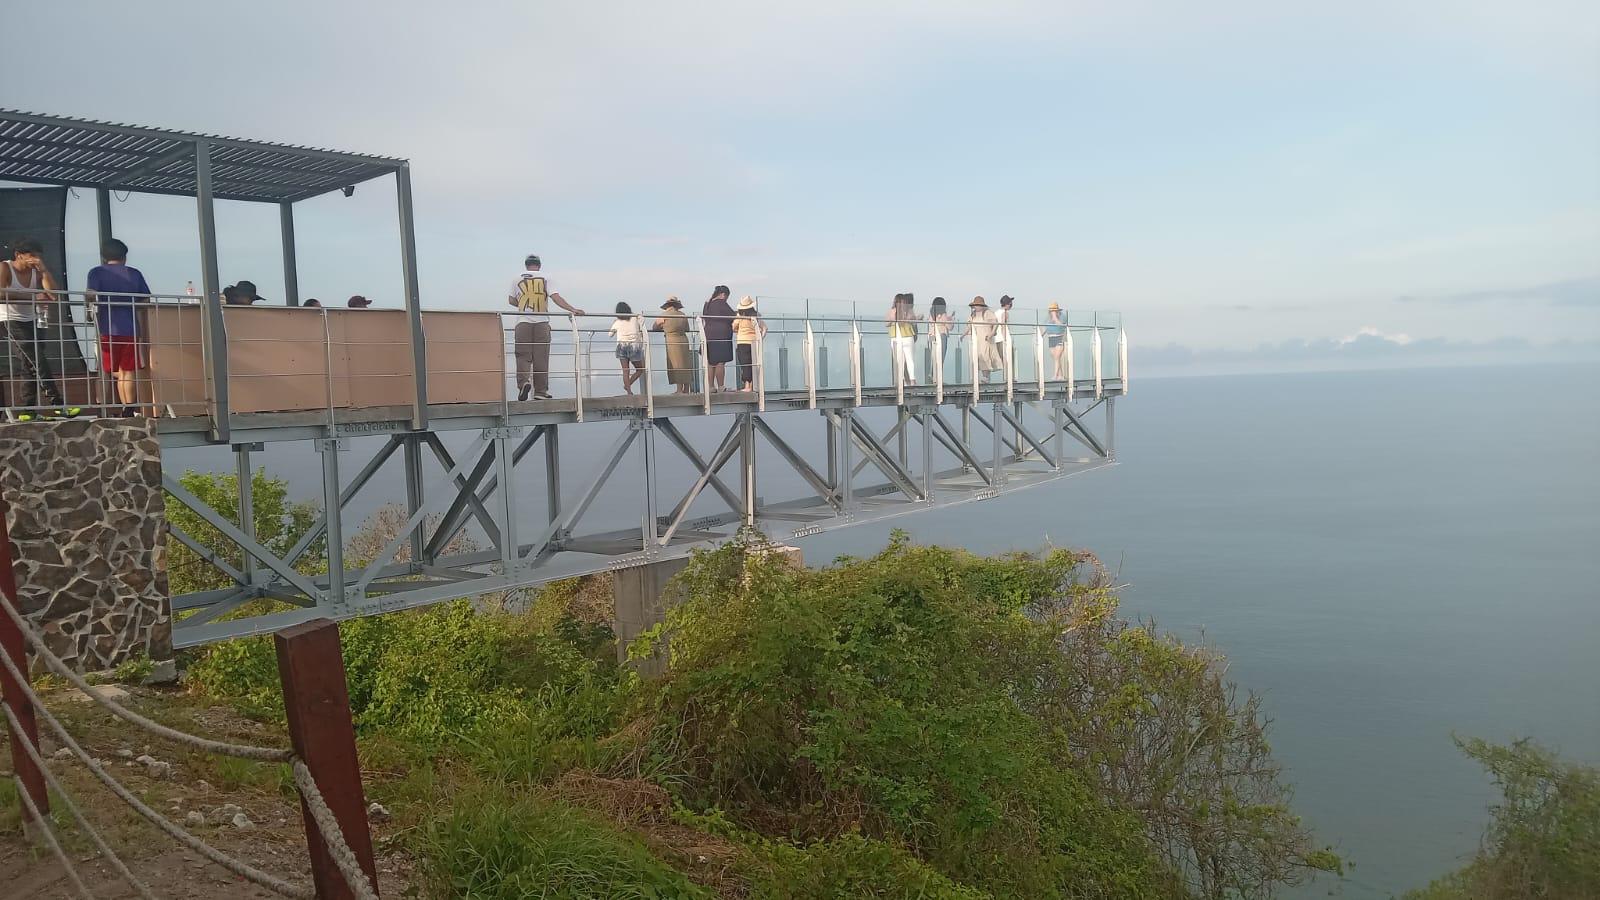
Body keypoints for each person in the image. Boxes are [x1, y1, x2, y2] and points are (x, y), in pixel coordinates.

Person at [0, 238, 74, 420]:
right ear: (19, 255)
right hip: (11, 320)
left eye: (38, 256)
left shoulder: (37, 271)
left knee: (29, 365)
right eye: (31, 256)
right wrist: (31, 296)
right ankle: (58, 404)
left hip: (33, 320)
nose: (35, 260)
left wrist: (44, 270)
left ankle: (28, 410)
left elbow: (53, 295)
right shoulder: (5, 267)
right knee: (37, 361)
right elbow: (1, 293)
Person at [84, 239, 152, 414]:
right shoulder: (134, 274)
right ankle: (128, 408)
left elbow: (90, 294)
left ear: (104, 256)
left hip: (105, 329)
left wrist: (88, 311)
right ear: (124, 256)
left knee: (104, 371)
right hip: (130, 329)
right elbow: (145, 299)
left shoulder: (96, 273)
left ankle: (102, 408)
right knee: (127, 371)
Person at [508, 254, 584, 401]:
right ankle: (540, 392)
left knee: (523, 356)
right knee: (541, 357)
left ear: (526, 265)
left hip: (523, 322)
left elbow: (511, 300)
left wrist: (524, 305)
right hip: (541, 322)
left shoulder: (516, 278)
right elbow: (556, 298)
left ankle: (523, 383)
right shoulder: (546, 277)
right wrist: (572, 309)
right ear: (539, 265)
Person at [651, 296, 693, 394]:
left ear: (667, 305)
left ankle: (679, 390)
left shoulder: (664, 315)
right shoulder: (683, 315)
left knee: (676, 364)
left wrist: (664, 327)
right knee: (686, 364)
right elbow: (687, 328)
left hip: (672, 341)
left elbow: (654, 327)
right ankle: (686, 389)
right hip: (683, 339)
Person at [700, 285, 735, 392]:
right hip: (721, 336)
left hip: (708, 336)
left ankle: (710, 387)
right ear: (723, 294)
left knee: (711, 362)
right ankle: (721, 386)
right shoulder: (721, 303)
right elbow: (732, 315)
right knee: (720, 362)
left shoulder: (707, 304)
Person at [609, 302, 646, 395]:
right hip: (634, 346)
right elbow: (641, 324)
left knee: (625, 370)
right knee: (640, 369)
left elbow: (610, 334)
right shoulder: (634, 318)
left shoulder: (617, 321)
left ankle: (629, 391)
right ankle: (628, 384)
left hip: (621, 346)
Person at [961, 296, 1000, 381]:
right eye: (975, 305)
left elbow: (996, 323)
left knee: (985, 355)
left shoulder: (987, 313)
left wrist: (992, 333)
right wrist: (963, 334)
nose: (976, 307)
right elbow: (969, 326)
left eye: (978, 305)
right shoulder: (973, 314)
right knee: (978, 357)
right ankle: (980, 377)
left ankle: (986, 377)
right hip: (976, 338)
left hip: (985, 338)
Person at [732, 295, 766, 392]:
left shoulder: (740, 316)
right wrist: (760, 339)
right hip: (754, 342)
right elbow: (765, 329)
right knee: (754, 364)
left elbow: (734, 327)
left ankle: (747, 386)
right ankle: (753, 385)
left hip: (742, 342)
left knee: (745, 364)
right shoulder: (757, 315)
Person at [884, 292, 918, 386]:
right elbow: (914, 320)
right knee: (910, 359)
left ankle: (902, 381)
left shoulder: (892, 311)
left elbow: (886, 323)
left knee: (900, 361)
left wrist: (893, 318)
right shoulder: (908, 310)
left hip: (895, 338)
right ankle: (912, 380)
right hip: (907, 336)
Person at [928, 296, 954, 376]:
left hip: (931, 336)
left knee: (934, 357)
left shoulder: (931, 314)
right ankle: (937, 377)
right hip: (941, 336)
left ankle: (933, 375)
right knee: (940, 358)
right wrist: (952, 319)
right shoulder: (943, 314)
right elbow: (950, 327)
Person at [1046, 303, 1068, 381]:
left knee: (1057, 357)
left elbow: (1062, 326)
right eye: (1051, 311)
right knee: (1055, 358)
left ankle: (1055, 375)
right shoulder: (1048, 318)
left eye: (1054, 310)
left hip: (1060, 337)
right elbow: (1046, 327)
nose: (1052, 312)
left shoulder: (1062, 316)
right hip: (1051, 338)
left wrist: (1055, 318)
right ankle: (1061, 375)